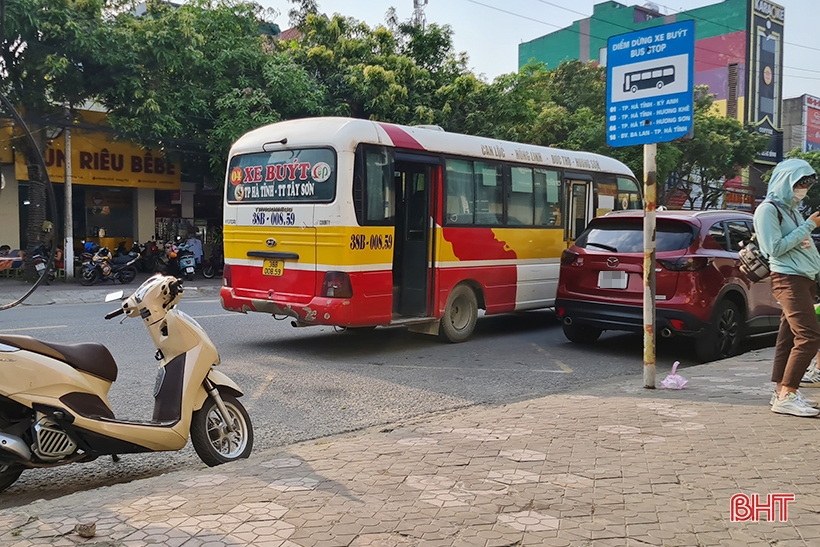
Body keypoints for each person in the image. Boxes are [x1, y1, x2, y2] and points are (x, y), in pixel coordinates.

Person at [754, 158, 820, 417]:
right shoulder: (768, 210)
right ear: (785, 182)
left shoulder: (792, 210)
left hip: (803, 279)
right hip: (787, 279)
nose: (803, 188)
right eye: (799, 183)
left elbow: (802, 246)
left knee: (789, 337)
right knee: (809, 336)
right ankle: (788, 394)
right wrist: (809, 225)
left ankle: (781, 390)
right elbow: (774, 248)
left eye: (807, 184)